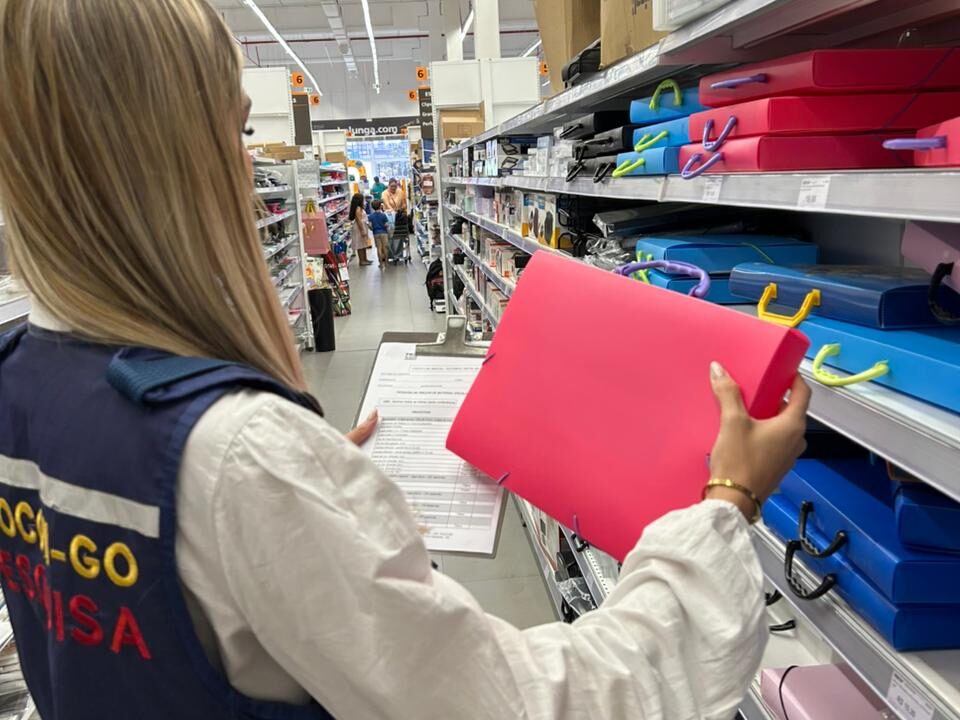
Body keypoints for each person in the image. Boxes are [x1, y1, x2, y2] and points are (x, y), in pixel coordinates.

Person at [0, 2, 812, 719]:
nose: (248, 164)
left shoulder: (21, 375)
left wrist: (299, 495)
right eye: (236, 128)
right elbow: (531, 704)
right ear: (162, 156)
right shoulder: (238, 454)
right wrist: (726, 501)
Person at [348, 192, 373, 266]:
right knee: (360, 245)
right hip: (359, 227)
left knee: (363, 244)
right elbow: (359, 220)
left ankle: (365, 259)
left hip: (362, 226)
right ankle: (362, 260)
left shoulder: (359, 208)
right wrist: (362, 230)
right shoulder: (358, 209)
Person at [368, 200, 391, 269]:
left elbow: (370, 226)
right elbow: (386, 225)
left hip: (376, 233)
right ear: (380, 206)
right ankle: (386, 262)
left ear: (372, 207)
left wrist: (372, 228)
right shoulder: (383, 215)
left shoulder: (371, 216)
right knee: (385, 248)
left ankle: (380, 264)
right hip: (384, 233)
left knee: (379, 248)